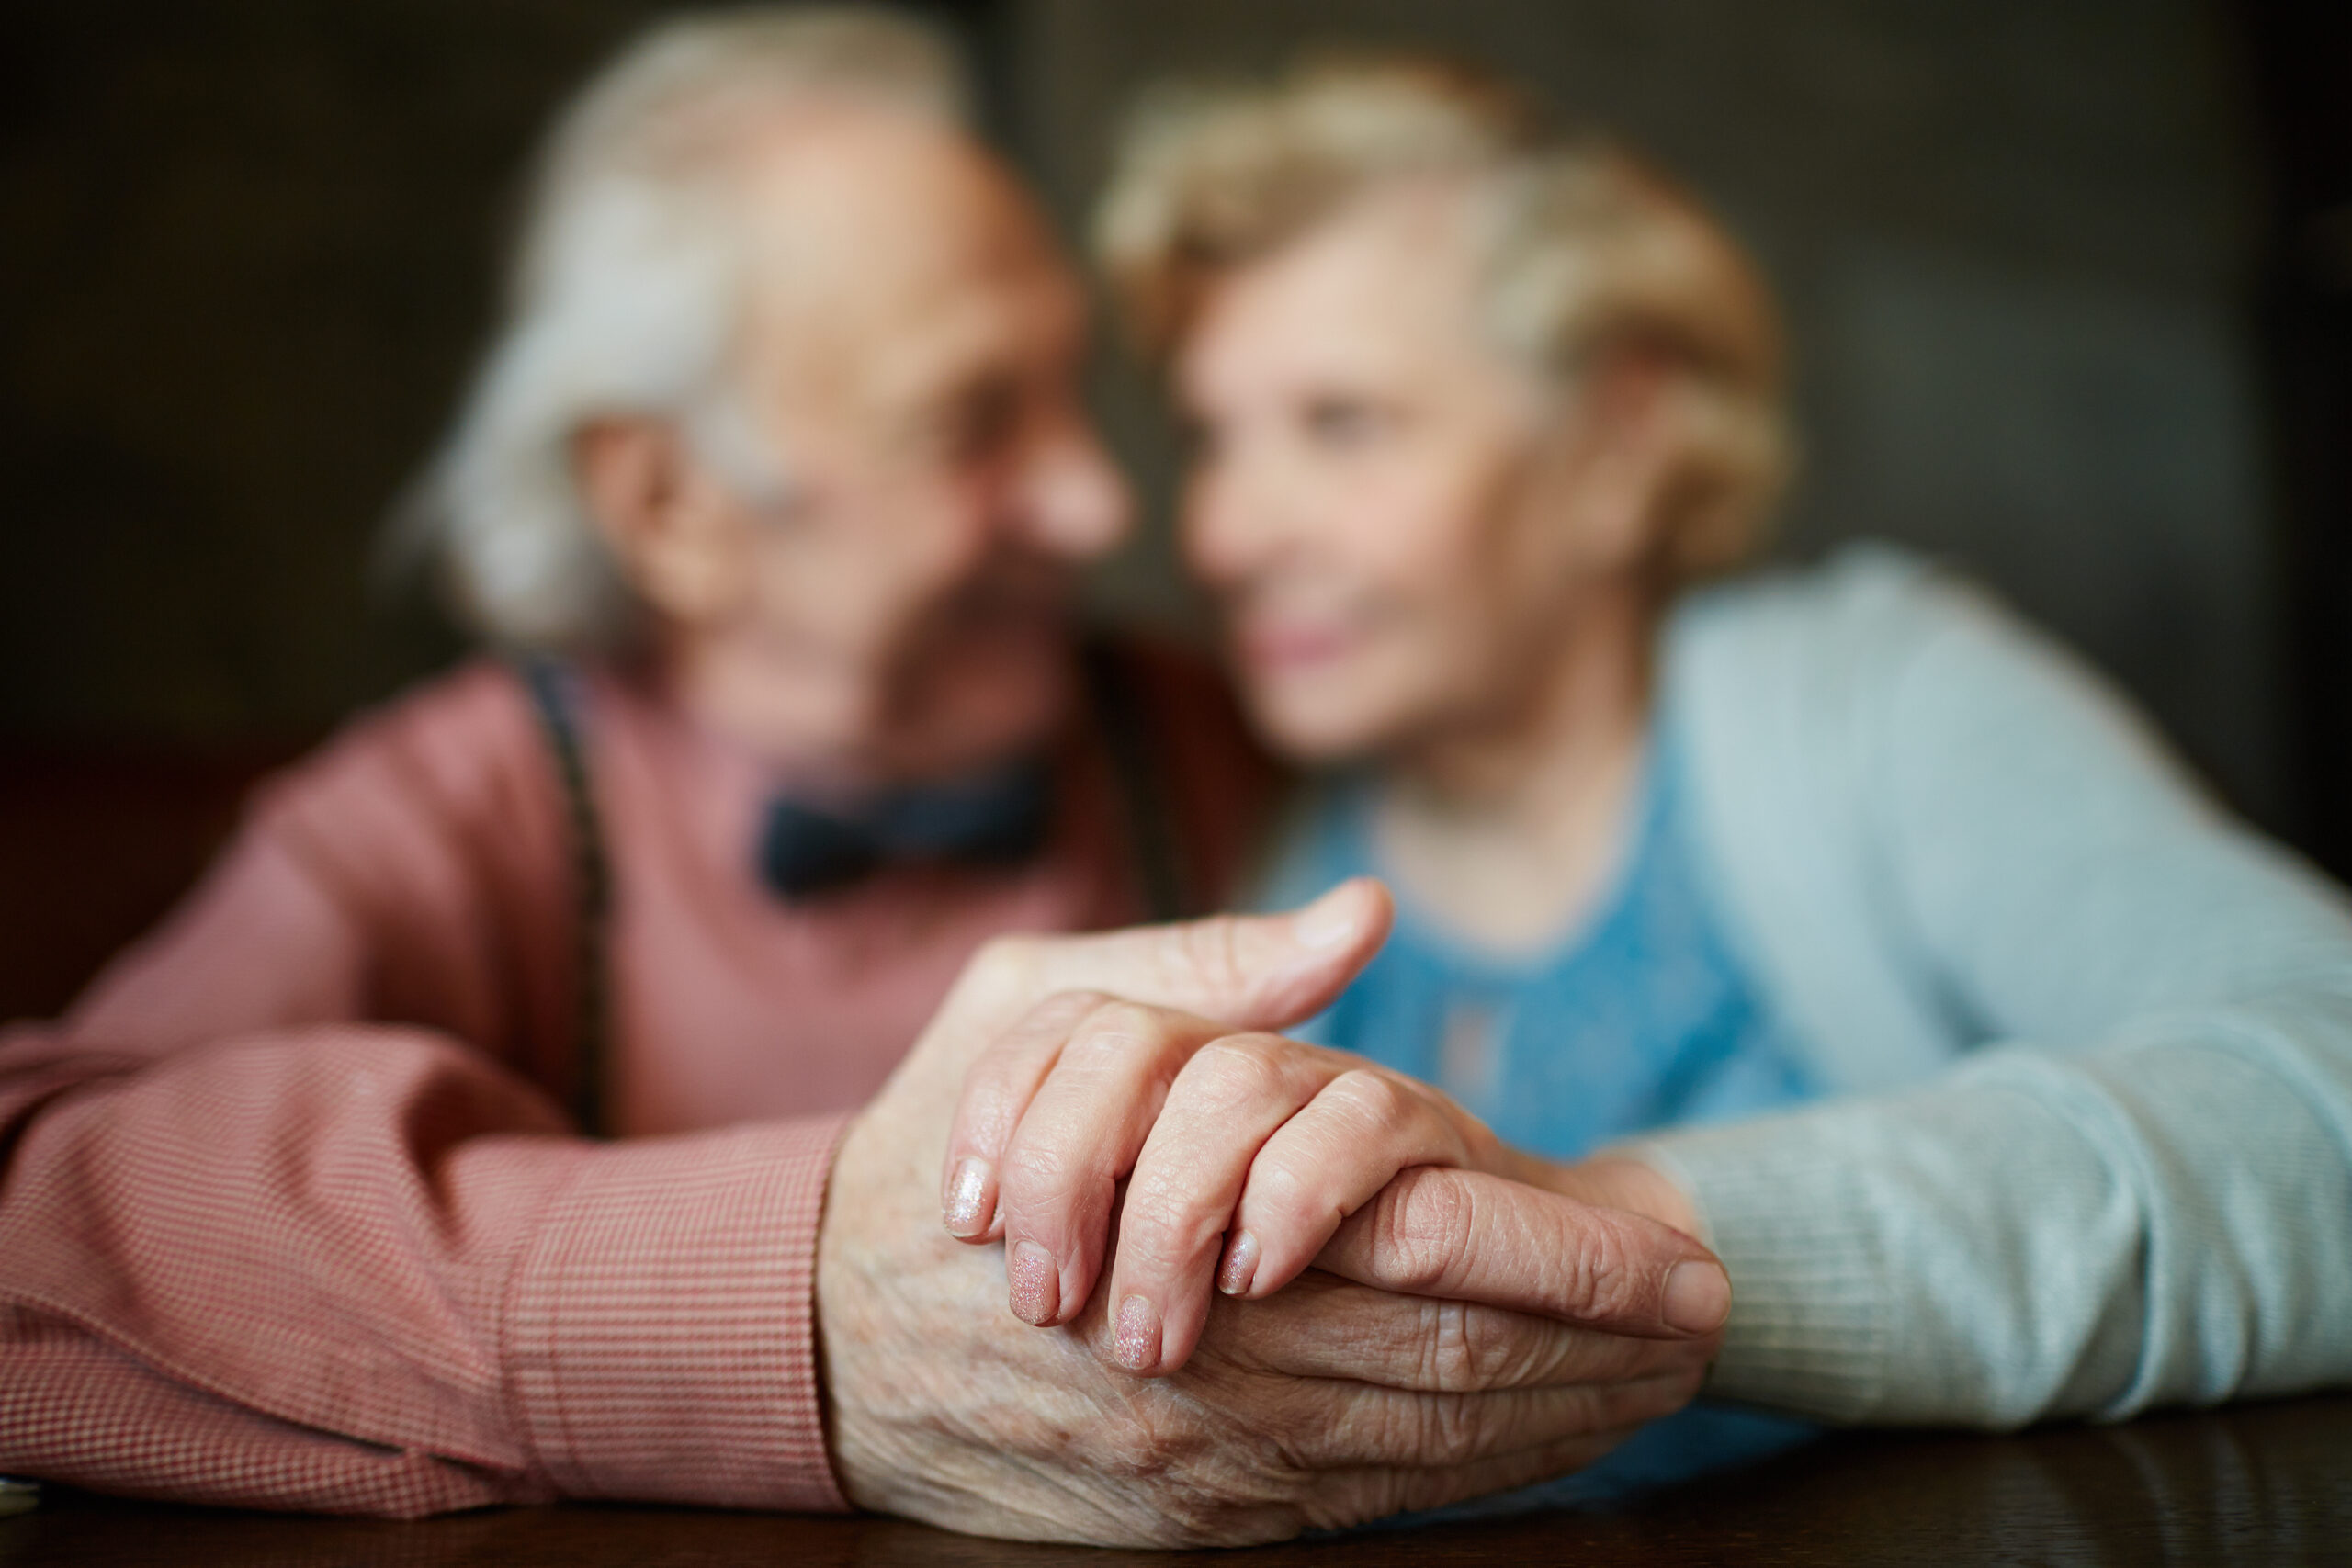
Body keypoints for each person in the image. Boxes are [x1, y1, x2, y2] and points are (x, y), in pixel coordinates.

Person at [0, 12, 1735, 1545]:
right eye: (975, 419)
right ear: (669, 505)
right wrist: (786, 1308)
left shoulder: (1212, 732)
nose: (1104, 510)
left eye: (1079, 395)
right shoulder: (461, 814)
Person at [942, 56, 2352, 1434]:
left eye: (1343, 424)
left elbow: (2322, 1094)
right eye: (1212, 438)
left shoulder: (1876, 700)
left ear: (1619, 443)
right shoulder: (1251, 831)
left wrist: (1618, 1233)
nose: (1225, 534)